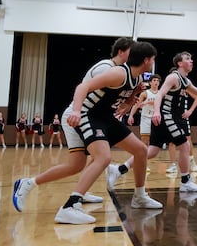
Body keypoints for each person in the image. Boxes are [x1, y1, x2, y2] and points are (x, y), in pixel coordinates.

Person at [12, 37, 134, 214]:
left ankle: (80, 193)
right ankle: (29, 183)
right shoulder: (106, 68)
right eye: (132, 51)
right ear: (121, 51)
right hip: (78, 116)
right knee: (90, 160)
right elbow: (86, 91)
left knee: (87, 161)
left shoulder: (120, 72)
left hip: (91, 117)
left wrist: (128, 100)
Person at [58, 41, 163, 224]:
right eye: (153, 58)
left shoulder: (137, 79)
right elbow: (82, 87)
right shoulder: (118, 73)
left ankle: (139, 197)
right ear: (146, 60)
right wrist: (75, 111)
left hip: (105, 117)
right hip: (88, 114)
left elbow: (128, 97)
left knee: (140, 150)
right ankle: (69, 206)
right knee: (103, 157)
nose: (153, 61)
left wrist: (130, 100)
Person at [110, 51, 197, 193]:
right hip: (165, 116)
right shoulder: (173, 77)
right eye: (188, 59)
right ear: (180, 63)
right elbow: (160, 94)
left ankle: (119, 169)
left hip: (164, 119)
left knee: (152, 151)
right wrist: (156, 112)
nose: (191, 61)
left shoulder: (185, 81)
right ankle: (186, 181)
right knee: (185, 145)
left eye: (191, 58)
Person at [127, 74, 161, 148]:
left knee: (156, 141)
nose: (156, 82)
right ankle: (144, 157)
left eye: (158, 80)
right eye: (154, 80)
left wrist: (147, 102)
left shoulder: (161, 93)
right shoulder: (144, 93)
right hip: (146, 118)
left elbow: (160, 103)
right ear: (150, 83)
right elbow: (136, 105)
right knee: (144, 140)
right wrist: (131, 115)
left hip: (156, 118)